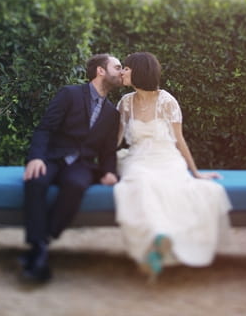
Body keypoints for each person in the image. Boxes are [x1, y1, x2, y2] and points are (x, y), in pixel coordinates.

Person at [114, 51, 232, 280]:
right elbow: (116, 140)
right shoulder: (125, 103)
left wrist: (195, 172)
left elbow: (179, 139)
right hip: (137, 159)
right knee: (140, 182)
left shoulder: (167, 101)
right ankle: (158, 236)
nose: (122, 72)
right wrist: (100, 167)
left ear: (139, 71)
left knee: (175, 184)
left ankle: (163, 241)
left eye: (126, 68)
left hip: (167, 158)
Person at [20, 53, 123, 283]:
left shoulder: (112, 114)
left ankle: (42, 242)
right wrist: (36, 157)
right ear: (100, 71)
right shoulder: (70, 94)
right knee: (35, 181)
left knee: (76, 185)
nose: (121, 71)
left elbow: (108, 151)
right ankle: (39, 249)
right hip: (52, 157)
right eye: (117, 67)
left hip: (81, 165)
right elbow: (45, 128)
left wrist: (108, 172)